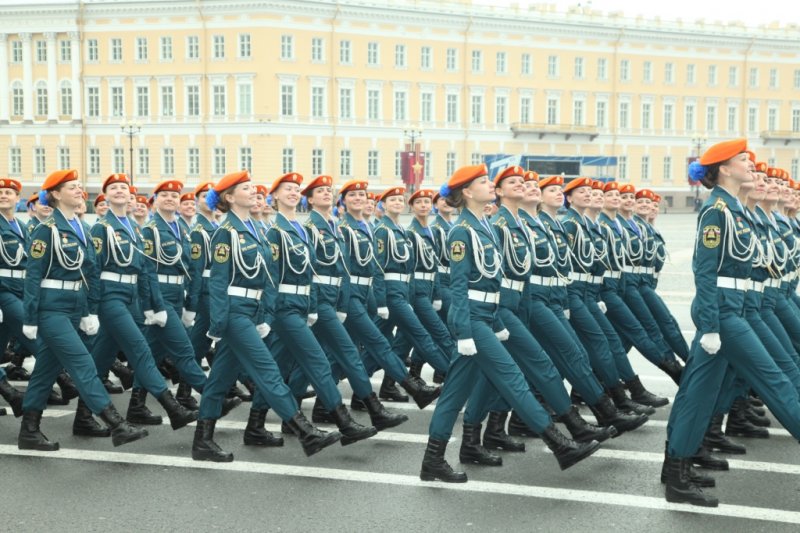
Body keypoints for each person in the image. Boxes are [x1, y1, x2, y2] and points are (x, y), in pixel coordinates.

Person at [420, 164, 600, 483]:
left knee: (454, 393)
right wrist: (463, 331)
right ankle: (558, 444)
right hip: (472, 320)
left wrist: (497, 321)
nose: (490, 184)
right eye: (483, 182)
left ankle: (432, 460)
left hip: (487, 316)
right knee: (512, 377)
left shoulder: (486, 226)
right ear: (467, 192)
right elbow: (458, 285)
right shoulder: (462, 231)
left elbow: (494, 280)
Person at [664, 138, 800, 507]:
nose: (751, 165)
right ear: (724, 168)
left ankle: (676, 471)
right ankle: (677, 470)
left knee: (699, 392)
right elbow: (705, 271)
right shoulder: (717, 211)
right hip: (722, 313)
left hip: (734, 308)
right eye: (743, 159)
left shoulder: (735, 210)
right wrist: (710, 325)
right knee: (775, 380)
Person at [193, 170, 342, 461]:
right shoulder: (227, 232)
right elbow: (218, 282)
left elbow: (266, 279)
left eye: (252, 187)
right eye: (245, 188)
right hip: (234, 313)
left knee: (220, 377)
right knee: (268, 371)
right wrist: (218, 324)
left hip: (251, 311)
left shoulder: (255, 229)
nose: (253, 191)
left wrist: (263, 316)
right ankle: (305, 432)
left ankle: (202, 441)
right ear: (229, 197)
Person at [18, 169, 148, 451]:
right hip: (51, 308)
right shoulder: (47, 229)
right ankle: (117, 424)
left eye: (79, 186)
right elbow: (33, 275)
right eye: (72, 187)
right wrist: (30, 317)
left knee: (45, 371)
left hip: (75, 305)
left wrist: (89, 311)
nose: (79, 190)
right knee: (83, 364)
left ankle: (29, 431)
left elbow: (89, 272)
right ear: (55, 194)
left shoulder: (82, 227)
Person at [267, 172, 377, 446]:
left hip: (304, 303)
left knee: (278, 365)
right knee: (317, 360)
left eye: (296, 189)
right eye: (287, 189)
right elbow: (271, 277)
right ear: (275, 196)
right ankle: (345, 422)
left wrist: (312, 305)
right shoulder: (275, 231)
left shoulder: (301, 229)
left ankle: (257, 424)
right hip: (284, 306)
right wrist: (266, 315)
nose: (293, 192)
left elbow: (311, 272)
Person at [87, 172, 197, 433]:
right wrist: (89, 310)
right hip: (110, 295)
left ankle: (83, 416)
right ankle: (173, 408)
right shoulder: (102, 227)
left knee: (101, 358)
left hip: (131, 296)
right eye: (113, 188)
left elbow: (145, 269)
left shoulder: (134, 228)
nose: (119, 191)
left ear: (131, 195)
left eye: (123, 188)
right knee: (140, 350)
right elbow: (92, 269)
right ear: (105, 195)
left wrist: (150, 305)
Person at [300, 174, 407, 431]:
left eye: (328, 190)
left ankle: (295, 415)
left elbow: (344, 269)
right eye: (320, 191)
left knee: (318, 357)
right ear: (310, 199)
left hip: (338, 296)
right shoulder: (312, 228)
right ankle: (372, 408)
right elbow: (308, 271)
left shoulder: (334, 227)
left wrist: (341, 302)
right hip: (318, 298)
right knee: (344, 352)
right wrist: (313, 305)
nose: (326, 193)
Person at [337, 179, 441, 409]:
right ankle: (423, 386)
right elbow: (353, 268)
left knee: (353, 350)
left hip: (372, 292)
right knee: (380, 342)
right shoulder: (348, 228)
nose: (359, 199)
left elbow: (380, 266)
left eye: (362, 195)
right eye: (353, 195)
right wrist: (373, 302)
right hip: (355, 293)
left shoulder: (370, 228)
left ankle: (338, 401)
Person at [141, 180, 219, 411]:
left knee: (152, 353)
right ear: (155, 200)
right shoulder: (151, 230)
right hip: (160, 294)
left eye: (174, 195)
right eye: (164, 195)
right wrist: (155, 305)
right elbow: (147, 270)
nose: (170, 199)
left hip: (177, 294)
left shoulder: (182, 230)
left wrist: (188, 302)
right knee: (185, 349)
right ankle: (212, 397)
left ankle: (137, 404)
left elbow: (190, 268)